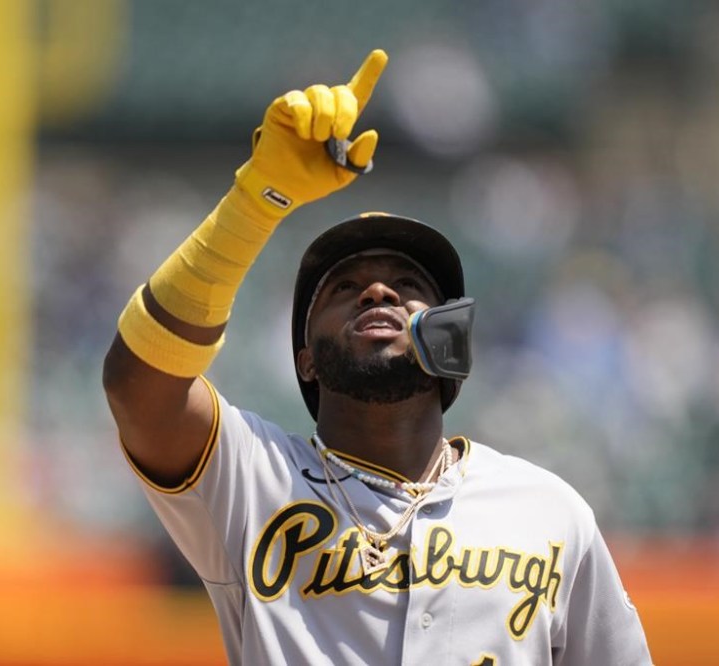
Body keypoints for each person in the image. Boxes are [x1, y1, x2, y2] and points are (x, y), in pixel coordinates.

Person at [102, 49, 652, 665]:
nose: (378, 291)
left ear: (451, 338)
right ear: (306, 359)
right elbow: (139, 383)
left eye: (408, 284)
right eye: (344, 288)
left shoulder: (549, 510)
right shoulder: (251, 479)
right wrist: (260, 198)